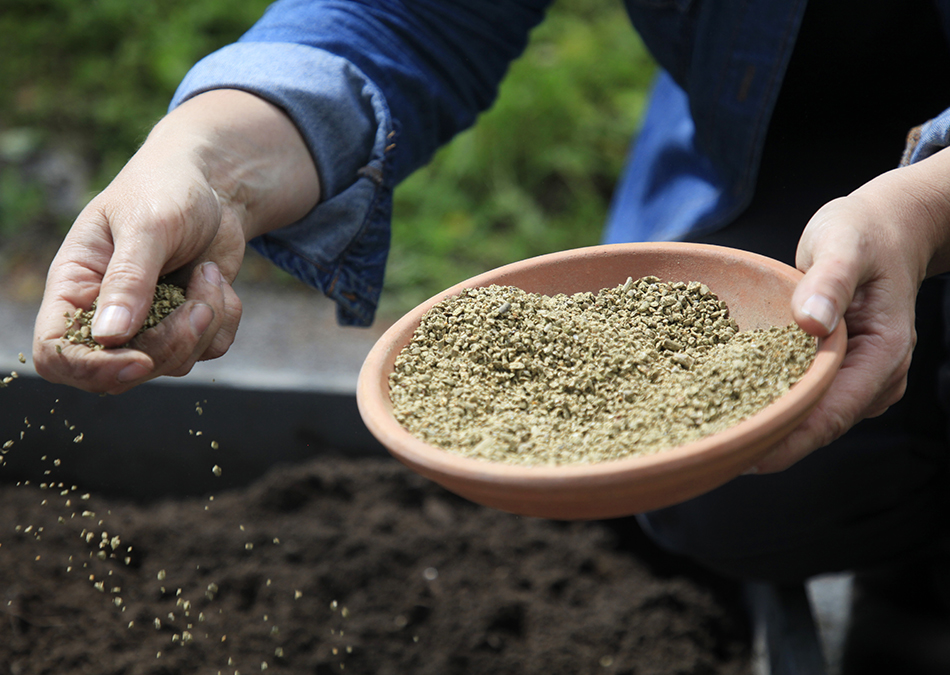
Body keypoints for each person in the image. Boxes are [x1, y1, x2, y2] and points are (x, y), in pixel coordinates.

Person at [30, 0, 950, 656]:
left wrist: (924, 209)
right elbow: (411, 14)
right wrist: (206, 159)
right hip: (773, 134)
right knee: (742, 495)